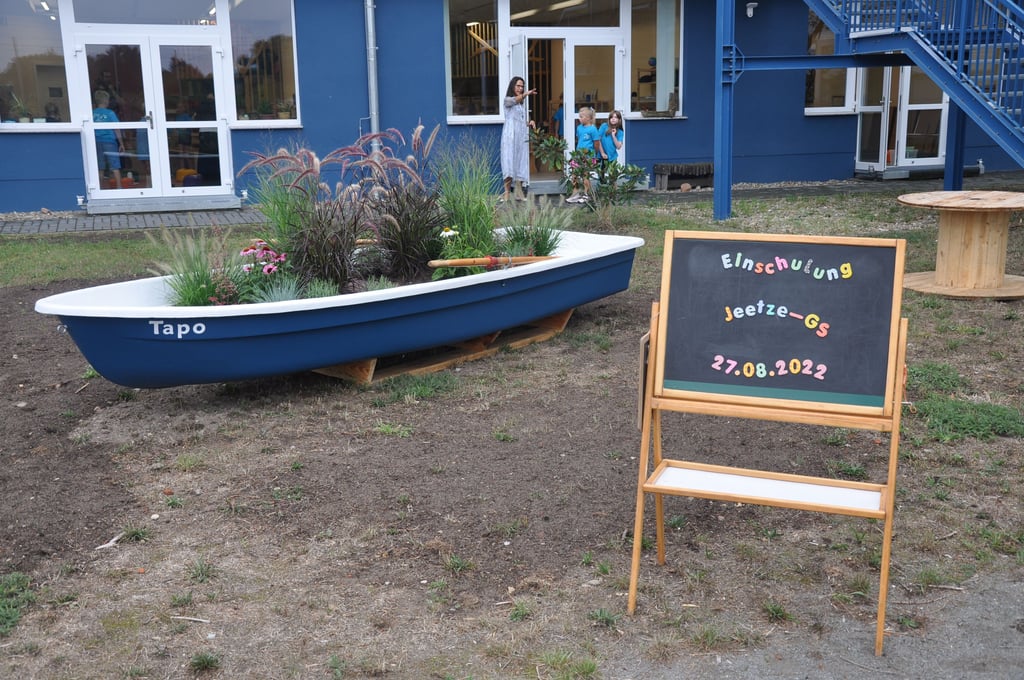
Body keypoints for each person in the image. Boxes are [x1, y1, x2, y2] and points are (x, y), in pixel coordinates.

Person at [500, 76, 535, 202]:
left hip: (520, 136)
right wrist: (526, 94)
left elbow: (520, 121)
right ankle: (507, 193)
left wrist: (529, 122)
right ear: (512, 86)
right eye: (518, 86)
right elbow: (514, 100)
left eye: (522, 86)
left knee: (520, 162)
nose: (520, 88)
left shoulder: (521, 105)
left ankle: (519, 193)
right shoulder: (508, 100)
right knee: (509, 161)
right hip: (510, 136)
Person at [567, 106, 598, 203]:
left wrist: (594, 155)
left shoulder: (593, 129)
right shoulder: (579, 128)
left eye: (581, 117)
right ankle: (575, 193)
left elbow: (596, 143)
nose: (579, 118)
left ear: (588, 118)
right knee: (574, 174)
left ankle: (586, 194)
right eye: (579, 116)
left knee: (585, 176)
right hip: (578, 155)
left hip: (588, 157)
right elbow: (579, 140)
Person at [92, 90, 123, 188]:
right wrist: (121, 143)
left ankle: (100, 189)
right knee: (115, 166)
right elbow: (116, 128)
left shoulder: (92, 113)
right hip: (109, 142)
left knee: (100, 167)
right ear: (106, 101)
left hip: (96, 142)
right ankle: (119, 188)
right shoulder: (110, 113)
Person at [596, 109, 624, 179]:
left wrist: (613, 135)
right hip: (601, 156)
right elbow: (598, 140)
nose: (613, 119)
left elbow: (618, 147)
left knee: (613, 177)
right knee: (601, 177)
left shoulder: (620, 132)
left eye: (615, 117)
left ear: (619, 119)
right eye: (611, 117)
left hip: (612, 156)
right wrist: (602, 153)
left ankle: (614, 190)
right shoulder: (604, 126)